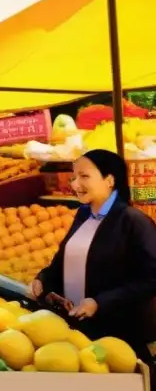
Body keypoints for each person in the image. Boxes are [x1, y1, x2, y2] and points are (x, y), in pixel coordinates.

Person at [31, 150, 156, 351]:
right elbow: (64, 259)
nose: (75, 184)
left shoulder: (135, 222)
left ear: (109, 180)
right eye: (74, 177)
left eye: (84, 176)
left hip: (121, 336)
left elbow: (150, 280)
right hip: (79, 330)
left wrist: (99, 303)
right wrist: (44, 279)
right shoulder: (83, 214)